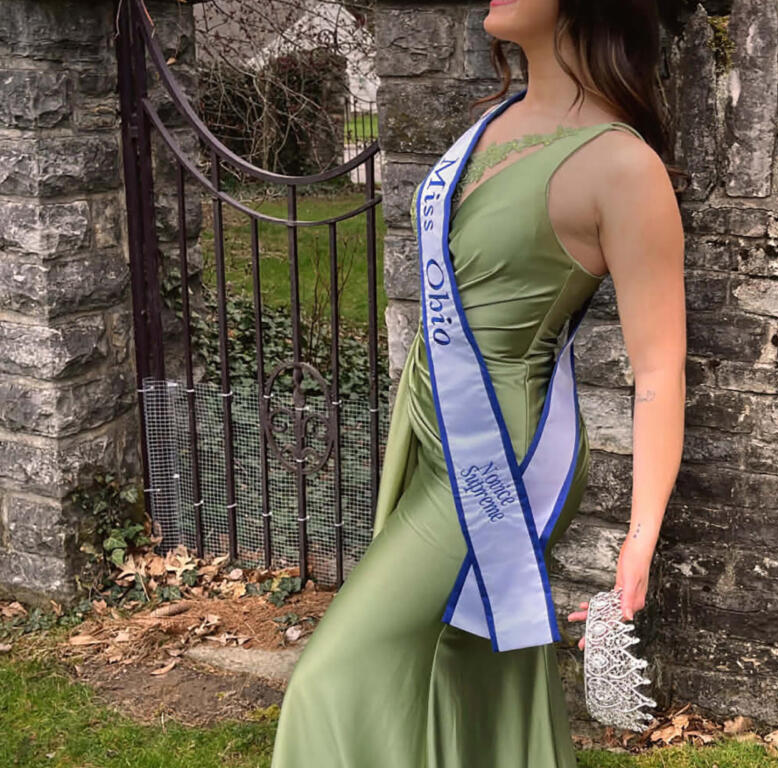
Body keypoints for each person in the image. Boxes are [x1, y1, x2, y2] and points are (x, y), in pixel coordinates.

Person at [269, 0, 685, 764]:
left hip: (494, 460)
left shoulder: (624, 168)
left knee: (331, 677)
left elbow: (659, 366)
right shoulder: (494, 121)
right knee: (463, 678)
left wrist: (641, 538)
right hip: (429, 429)